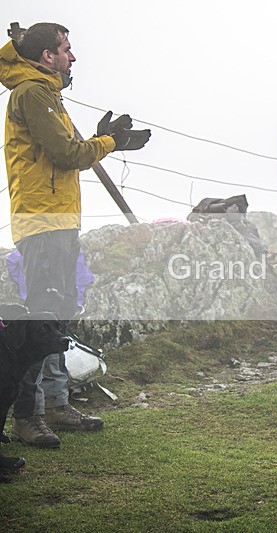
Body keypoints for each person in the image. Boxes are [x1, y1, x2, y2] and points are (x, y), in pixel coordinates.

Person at [1, 22, 151, 448]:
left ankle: (56, 404)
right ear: (47, 56)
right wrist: (109, 142)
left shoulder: (46, 92)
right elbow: (66, 154)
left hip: (58, 220)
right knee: (41, 321)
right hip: (42, 222)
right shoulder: (32, 93)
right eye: (66, 49)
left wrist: (104, 140)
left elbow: (63, 153)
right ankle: (28, 417)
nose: (72, 57)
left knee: (56, 319)